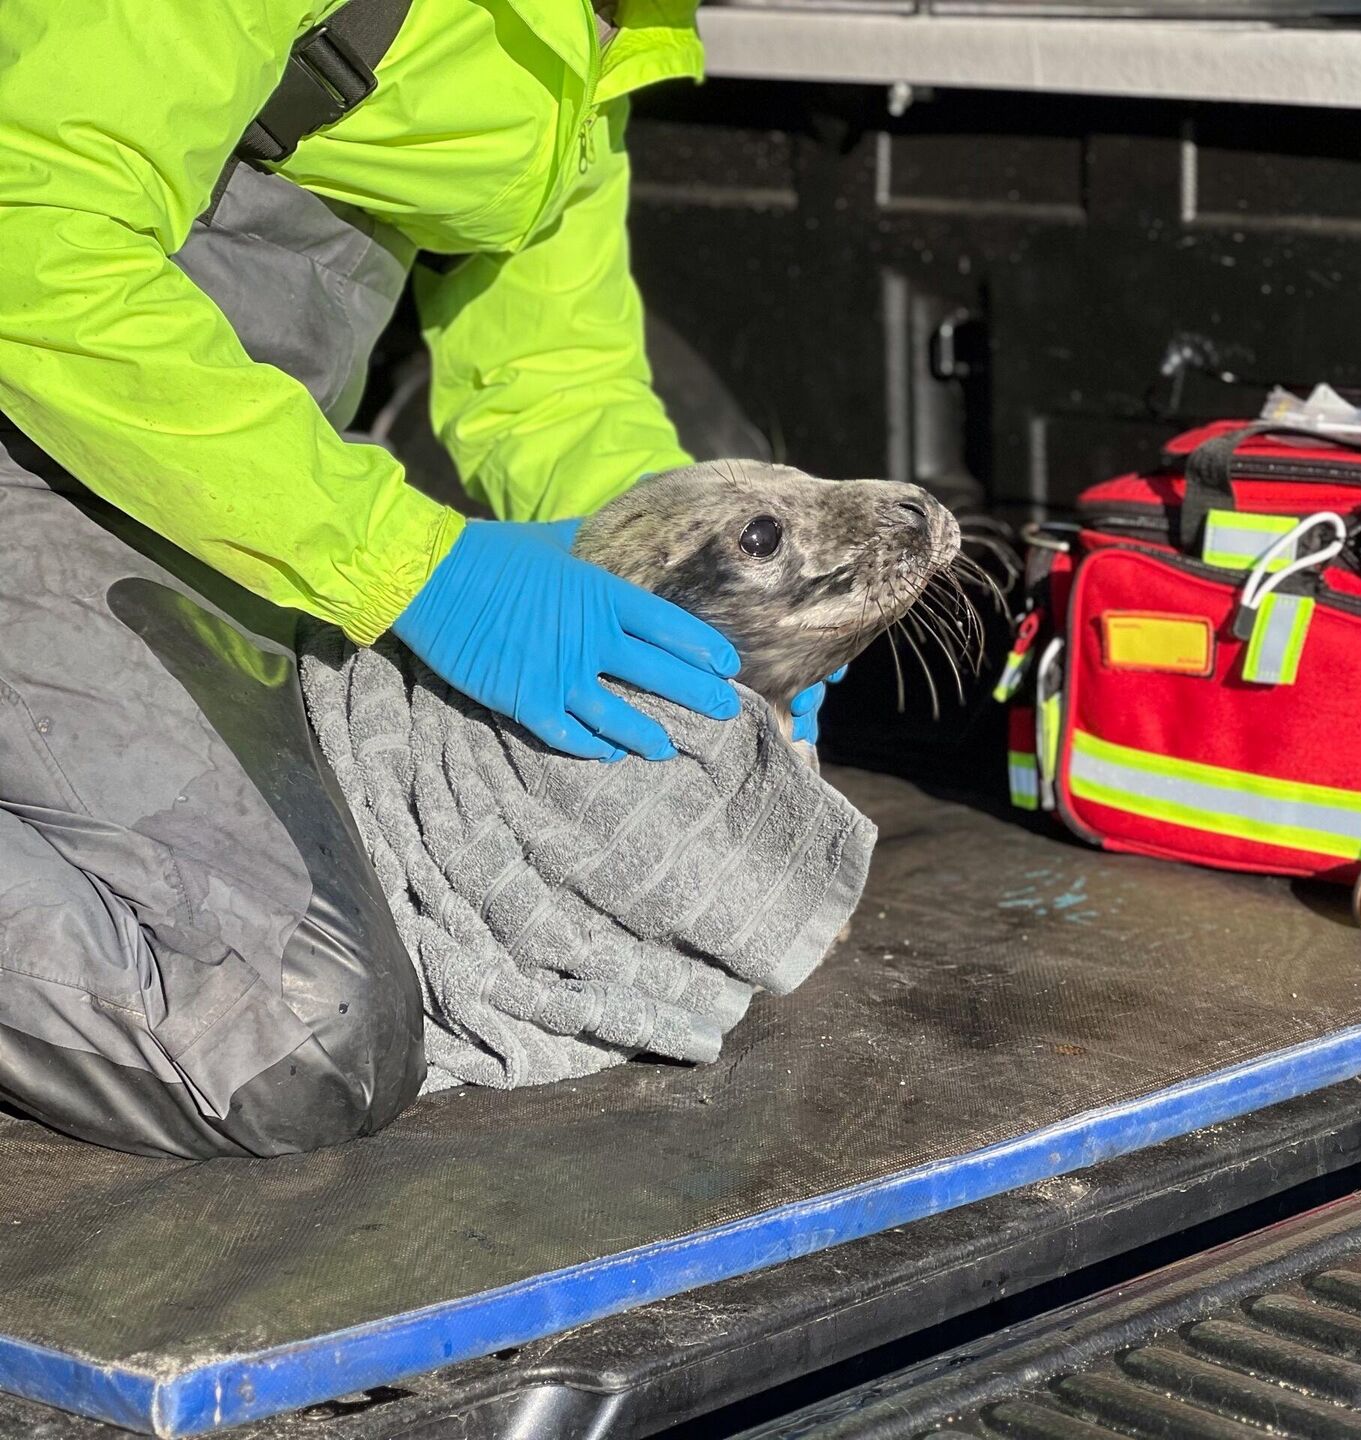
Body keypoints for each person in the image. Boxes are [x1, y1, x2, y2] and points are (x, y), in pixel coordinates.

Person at [0, 0, 827, 1158]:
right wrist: (416, 569)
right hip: (33, 434)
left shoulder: (610, 24)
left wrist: (698, 597)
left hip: (208, 498)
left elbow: (550, 378)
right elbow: (31, 240)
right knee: (283, 1040)